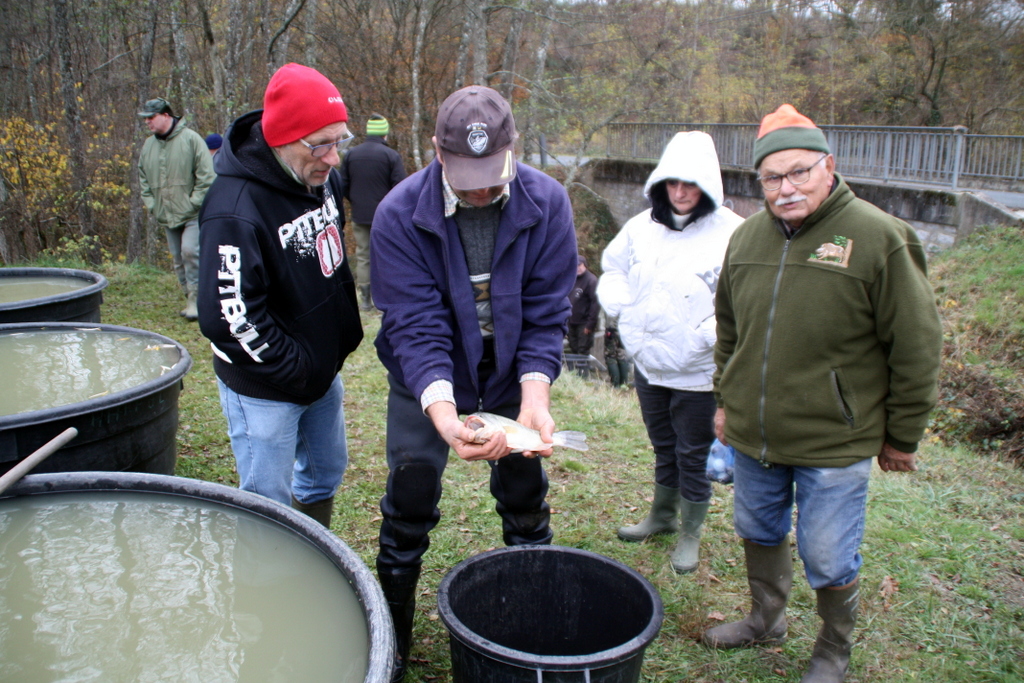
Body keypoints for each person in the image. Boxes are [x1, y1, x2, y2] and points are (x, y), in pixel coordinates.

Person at [702, 104, 942, 683]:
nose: (785, 189)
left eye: (799, 172)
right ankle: (766, 618)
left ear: (828, 166)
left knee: (828, 555)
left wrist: (903, 435)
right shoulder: (747, 238)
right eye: (771, 177)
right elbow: (729, 327)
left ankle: (833, 649)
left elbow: (916, 344)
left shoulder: (878, 237)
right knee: (758, 529)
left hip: (836, 440)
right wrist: (726, 398)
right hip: (756, 436)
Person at [369, 85, 577, 682]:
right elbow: (415, 324)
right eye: (465, 176)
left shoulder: (548, 202)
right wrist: (443, 413)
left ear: (513, 149)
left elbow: (546, 312)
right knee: (410, 490)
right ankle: (393, 640)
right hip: (427, 372)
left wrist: (534, 396)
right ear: (435, 149)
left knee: (522, 485)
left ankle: (533, 616)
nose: (481, 190)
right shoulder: (398, 214)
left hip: (511, 368)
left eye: (492, 174)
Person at [196, 63, 363, 528]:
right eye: (321, 144)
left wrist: (331, 348)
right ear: (282, 139)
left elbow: (331, 256)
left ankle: (313, 554)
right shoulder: (234, 208)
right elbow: (227, 315)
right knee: (268, 503)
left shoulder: (319, 176)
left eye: (339, 140)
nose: (333, 158)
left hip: (320, 370)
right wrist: (295, 368)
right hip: (266, 385)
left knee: (326, 472)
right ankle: (268, 584)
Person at [597, 131, 743, 574]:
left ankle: (691, 532)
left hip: (698, 371)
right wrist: (620, 302)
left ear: (708, 187)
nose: (680, 192)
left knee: (691, 453)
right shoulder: (640, 227)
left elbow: (745, 294)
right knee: (663, 446)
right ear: (660, 183)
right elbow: (614, 267)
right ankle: (661, 516)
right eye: (673, 183)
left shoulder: (733, 233)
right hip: (651, 365)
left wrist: (713, 330)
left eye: (691, 183)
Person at [138, 97, 215, 321]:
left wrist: (193, 202)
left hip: (192, 213)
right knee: (177, 258)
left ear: (166, 116)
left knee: (191, 252)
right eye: (146, 119)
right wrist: (152, 205)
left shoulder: (191, 139)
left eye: (151, 117)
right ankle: (188, 296)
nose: (148, 122)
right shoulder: (148, 146)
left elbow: (207, 176)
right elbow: (143, 178)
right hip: (166, 214)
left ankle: (198, 301)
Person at [339, 114, 407, 311]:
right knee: (388, 255)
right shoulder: (391, 156)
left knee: (363, 256)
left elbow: (342, 185)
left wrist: (355, 202)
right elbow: (401, 188)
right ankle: (384, 298)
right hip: (386, 217)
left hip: (359, 214)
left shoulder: (351, 155)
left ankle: (366, 301)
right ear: (384, 134)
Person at [567, 254, 599, 357]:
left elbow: (595, 303)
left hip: (584, 323)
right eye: (575, 266)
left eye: (579, 265)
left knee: (583, 352)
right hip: (570, 321)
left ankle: (583, 372)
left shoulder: (591, 280)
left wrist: (590, 324)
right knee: (573, 349)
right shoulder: (571, 278)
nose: (577, 268)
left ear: (584, 265)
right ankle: (574, 373)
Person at [602, 312, 630, 388]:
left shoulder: (612, 301)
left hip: (612, 331)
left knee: (611, 356)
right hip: (625, 331)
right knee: (622, 355)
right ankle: (624, 384)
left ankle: (615, 384)